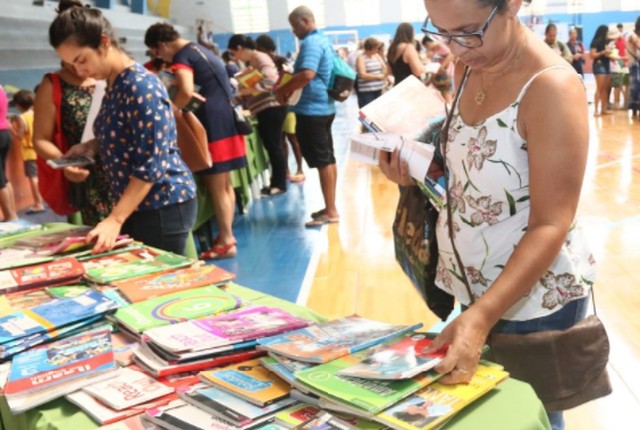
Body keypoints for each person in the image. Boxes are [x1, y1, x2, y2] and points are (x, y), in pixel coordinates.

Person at [381, 1, 595, 429]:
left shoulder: (549, 87)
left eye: (468, 31)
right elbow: (468, 177)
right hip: (476, 288)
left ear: (512, 4)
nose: (457, 48)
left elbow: (552, 223)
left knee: (528, 418)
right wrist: (416, 172)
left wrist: (479, 318)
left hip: (533, 299)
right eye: (442, 33)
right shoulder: (468, 67)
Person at [49, 1, 197, 255]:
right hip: (138, 204)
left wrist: (115, 219)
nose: (80, 70)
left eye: (82, 60)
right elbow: (119, 129)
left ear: (104, 43)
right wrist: (89, 146)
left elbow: (152, 163)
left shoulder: (140, 86)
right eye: (72, 65)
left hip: (162, 205)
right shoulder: (113, 83)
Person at [144, 22, 247, 259]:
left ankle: (227, 240)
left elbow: (186, 92)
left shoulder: (182, 56)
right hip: (226, 118)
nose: (159, 57)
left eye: (156, 52)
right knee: (225, 184)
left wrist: (168, 112)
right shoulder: (201, 49)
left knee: (216, 186)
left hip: (211, 123)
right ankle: (226, 234)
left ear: (161, 45)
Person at [274, 6, 338, 227]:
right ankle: (331, 207)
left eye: (294, 26)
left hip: (313, 110)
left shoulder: (311, 42)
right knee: (328, 159)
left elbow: (307, 74)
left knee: (323, 161)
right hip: (324, 107)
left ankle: (331, 211)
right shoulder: (322, 40)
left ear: (304, 21)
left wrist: (283, 90)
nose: (294, 31)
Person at [228, 34, 288, 196]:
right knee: (273, 146)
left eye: (234, 53)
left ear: (240, 48)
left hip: (271, 108)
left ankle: (279, 184)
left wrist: (246, 90)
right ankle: (276, 181)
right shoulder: (253, 61)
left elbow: (271, 81)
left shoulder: (260, 57)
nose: (235, 57)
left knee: (274, 146)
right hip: (264, 109)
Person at [255, 34, 305, 182]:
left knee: (292, 138)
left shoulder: (281, 62)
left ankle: (300, 168)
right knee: (281, 140)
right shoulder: (260, 64)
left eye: (259, 48)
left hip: (287, 106)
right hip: (272, 106)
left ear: (264, 48)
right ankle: (286, 170)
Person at [10, 90, 45, 214]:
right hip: (39, 150)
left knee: (33, 178)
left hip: (28, 152)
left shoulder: (22, 117)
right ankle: (40, 201)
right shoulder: (36, 113)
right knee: (39, 177)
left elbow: (20, 136)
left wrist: (11, 128)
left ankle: (38, 203)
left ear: (19, 105)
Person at [0, 84, 18, 222]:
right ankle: (12, 214)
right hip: (4, 132)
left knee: (1, 180)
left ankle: (9, 216)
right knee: (3, 177)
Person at [355, 37, 388, 108]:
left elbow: (384, 67)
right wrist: (378, 76)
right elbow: (362, 74)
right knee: (368, 112)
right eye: (376, 48)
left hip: (379, 89)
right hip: (367, 92)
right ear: (371, 47)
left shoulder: (376, 56)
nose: (377, 50)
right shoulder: (361, 58)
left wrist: (384, 74)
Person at [590, 25, 613, 116]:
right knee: (599, 88)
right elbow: (592, 55)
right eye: (607, 32)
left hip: (607, 64)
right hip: (599, 65)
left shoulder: (607, 42)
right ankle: (596, 109)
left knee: (606, 89)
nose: (608, 34)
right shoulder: (595, 42)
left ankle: (604, 109)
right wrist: (603, 52)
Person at [627, 17, 640, 116]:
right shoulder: (632, 36)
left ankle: (635, 109)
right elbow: (637, 46)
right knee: (636, 87)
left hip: (636, 64)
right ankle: (635, 109)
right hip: (635, 64)